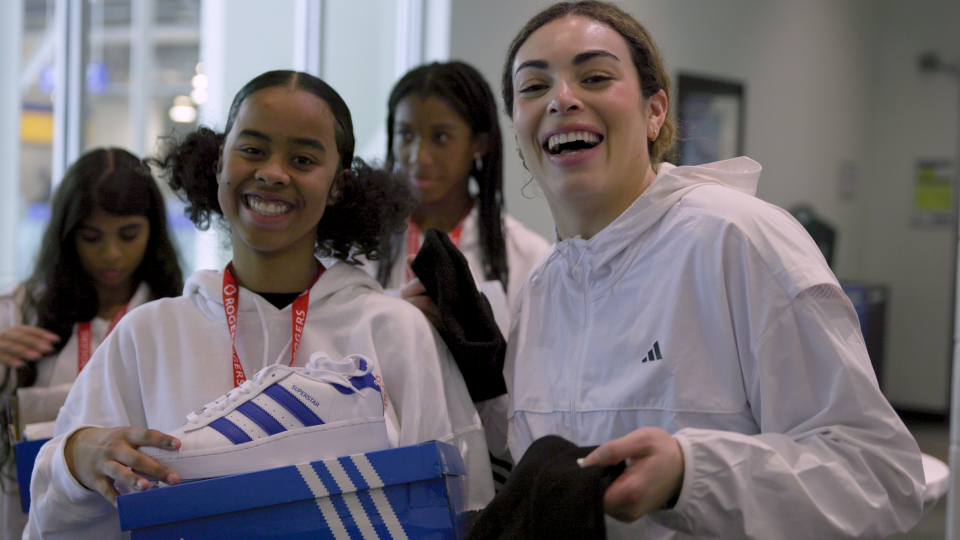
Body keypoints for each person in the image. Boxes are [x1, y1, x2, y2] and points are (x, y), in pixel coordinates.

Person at [441, 1, 924, 538]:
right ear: (518, 132)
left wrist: (690, 475)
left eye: (595, 76)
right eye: (533, 88)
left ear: (654, 112)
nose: (561, 99)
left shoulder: (738, 241)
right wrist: (484, 385)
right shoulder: (543, 288)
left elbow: (881, 478)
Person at [25, 70, 493, 539]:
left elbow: (461, 506)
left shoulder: (394, 332)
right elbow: (52, 520)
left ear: (338, 186)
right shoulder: (146, 336)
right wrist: (75, 456)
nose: (272, 172)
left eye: (303, 158)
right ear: (218, 163)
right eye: (251, 149)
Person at [0, 147, 183, 540]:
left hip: (142, 512)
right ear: (67, 235)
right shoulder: (18, 312)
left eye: (129, 234)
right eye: (92, 237)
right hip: (32, 514)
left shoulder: (175, 316)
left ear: (153, 231)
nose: (112, 253)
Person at [376, 61, 550, 311]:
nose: (419, 156)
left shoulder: (527, 255)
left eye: (441, 137)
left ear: (478, 143)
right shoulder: (362, 247)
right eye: (406, 135)